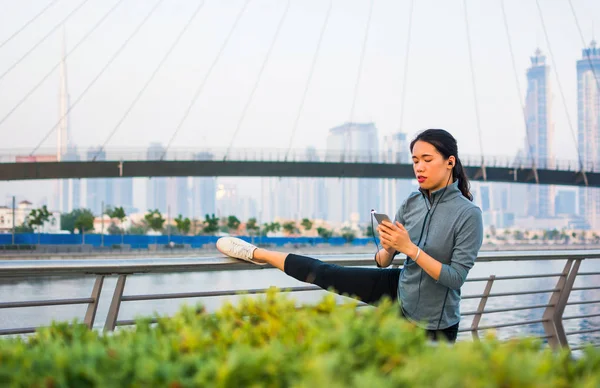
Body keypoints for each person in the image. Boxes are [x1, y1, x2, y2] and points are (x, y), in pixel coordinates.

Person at [216, 129, 483, 343]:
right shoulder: (412, 201)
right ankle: (255, 252)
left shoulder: (469, 215)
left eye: (427, 159)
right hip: (401, 287)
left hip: (436, 322)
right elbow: (382, 262)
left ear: (450, 162)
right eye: (415, 161)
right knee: (326, 272)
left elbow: (454, 278)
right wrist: (389, 247)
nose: (419, 168)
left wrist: (410, 249)